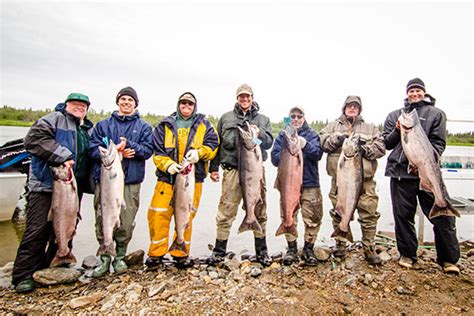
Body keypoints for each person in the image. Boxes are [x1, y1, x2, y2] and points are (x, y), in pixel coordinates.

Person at [12, 92, 94, 293]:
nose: (79, 108)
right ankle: (23, 275)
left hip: (72, 188)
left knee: (67, 227)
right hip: (46, 184)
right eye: (75, 104)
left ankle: (55, 265)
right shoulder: (54, 119)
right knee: (37, 229)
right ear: (66, 105)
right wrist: (63, 155)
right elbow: (32, 139)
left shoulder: (86, 129)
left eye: (83, 106)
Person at [383, 78, 460, 273]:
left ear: (424, 93)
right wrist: (397, 130)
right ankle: (408, 254)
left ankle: (448, 260)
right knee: (403, 217)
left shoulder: (437, 114)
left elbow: (439, 144)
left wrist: (424, 163)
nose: (415, 94)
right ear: (407, 93)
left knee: (444, 217)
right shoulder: (395, 116)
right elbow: (387, 143)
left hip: (428, 172)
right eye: (411, 91)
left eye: (418, 90)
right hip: (401, 172)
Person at [145, 92, 219, 268]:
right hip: (167, 178)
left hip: (192, 179)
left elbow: (213, 145)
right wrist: (168, 164)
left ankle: (180, 251)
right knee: (158, 214)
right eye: (183, 103)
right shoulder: (164, 125)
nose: (186, 106)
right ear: (178, 104)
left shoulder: (204, 125)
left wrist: (199, 153)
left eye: (190, 104)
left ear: (195, 106)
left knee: (186, 215)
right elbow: (158, 152)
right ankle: (157, 253)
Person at [89, 87, 153, 277]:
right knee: (103, 218)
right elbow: (92, 149)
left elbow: (147, 151)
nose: (126, 102)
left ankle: (120, 256)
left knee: (125, 221)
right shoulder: (102, 125)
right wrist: (113, 152)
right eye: (123, 99)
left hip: (131, 181)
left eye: (130, 100)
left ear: (135, 103)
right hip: (106, 180)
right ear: (118, 102)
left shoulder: (144, 127)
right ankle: (105, 256)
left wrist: (130, 146)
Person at [207, 83, 274, 267]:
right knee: (226, 210)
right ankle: (219, 251)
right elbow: (217, 145)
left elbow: (268, 143)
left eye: (248, 96)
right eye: (241, 97)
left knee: (260, 209)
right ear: (237, 98)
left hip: (255, 172)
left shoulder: (263, 119)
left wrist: (257, 136)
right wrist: (213, 168)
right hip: (232, 171)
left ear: (252, 98)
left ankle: (262, 252)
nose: (245, 99)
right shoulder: (225, 118)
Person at [320, 95, 385, 265]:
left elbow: (381, 147)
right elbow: (322, 142)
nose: (352, 108)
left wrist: (365, 149)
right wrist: (337, 139)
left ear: (360, 109)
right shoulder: (333, 126)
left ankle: (369, 247)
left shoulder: (371, 128)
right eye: (349, 106)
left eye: (356, 106)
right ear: (344, 107)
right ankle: (340, 243)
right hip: (340, 181)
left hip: (366, 181)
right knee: (338, 212)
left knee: (369, 213)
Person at [270, 106, 324, 266]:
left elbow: (318, 154)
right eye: (292, 116)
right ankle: (291, 248)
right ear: (289, 118)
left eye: (299, 116)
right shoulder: (282, 136)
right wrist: (288, 150)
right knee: (288, 214)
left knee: (313, 217)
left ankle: (308, 248)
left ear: (304, 118)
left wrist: (305, 145)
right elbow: (274, 159)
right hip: (287, 183)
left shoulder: (312, 134)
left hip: (310, 182)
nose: (295, 119)